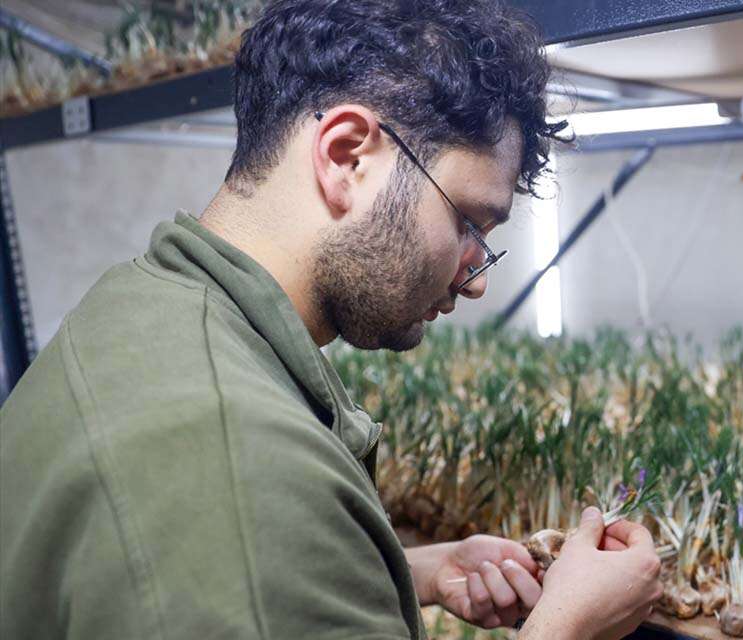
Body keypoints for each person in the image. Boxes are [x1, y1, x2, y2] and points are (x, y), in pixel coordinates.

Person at [0, 1, 663, 638]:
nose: (478, 276)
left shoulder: (139, 309)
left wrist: (403, 572)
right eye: (466, 220)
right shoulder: (241, 468)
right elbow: (241, 539)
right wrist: (568, 625)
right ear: (346, 156)